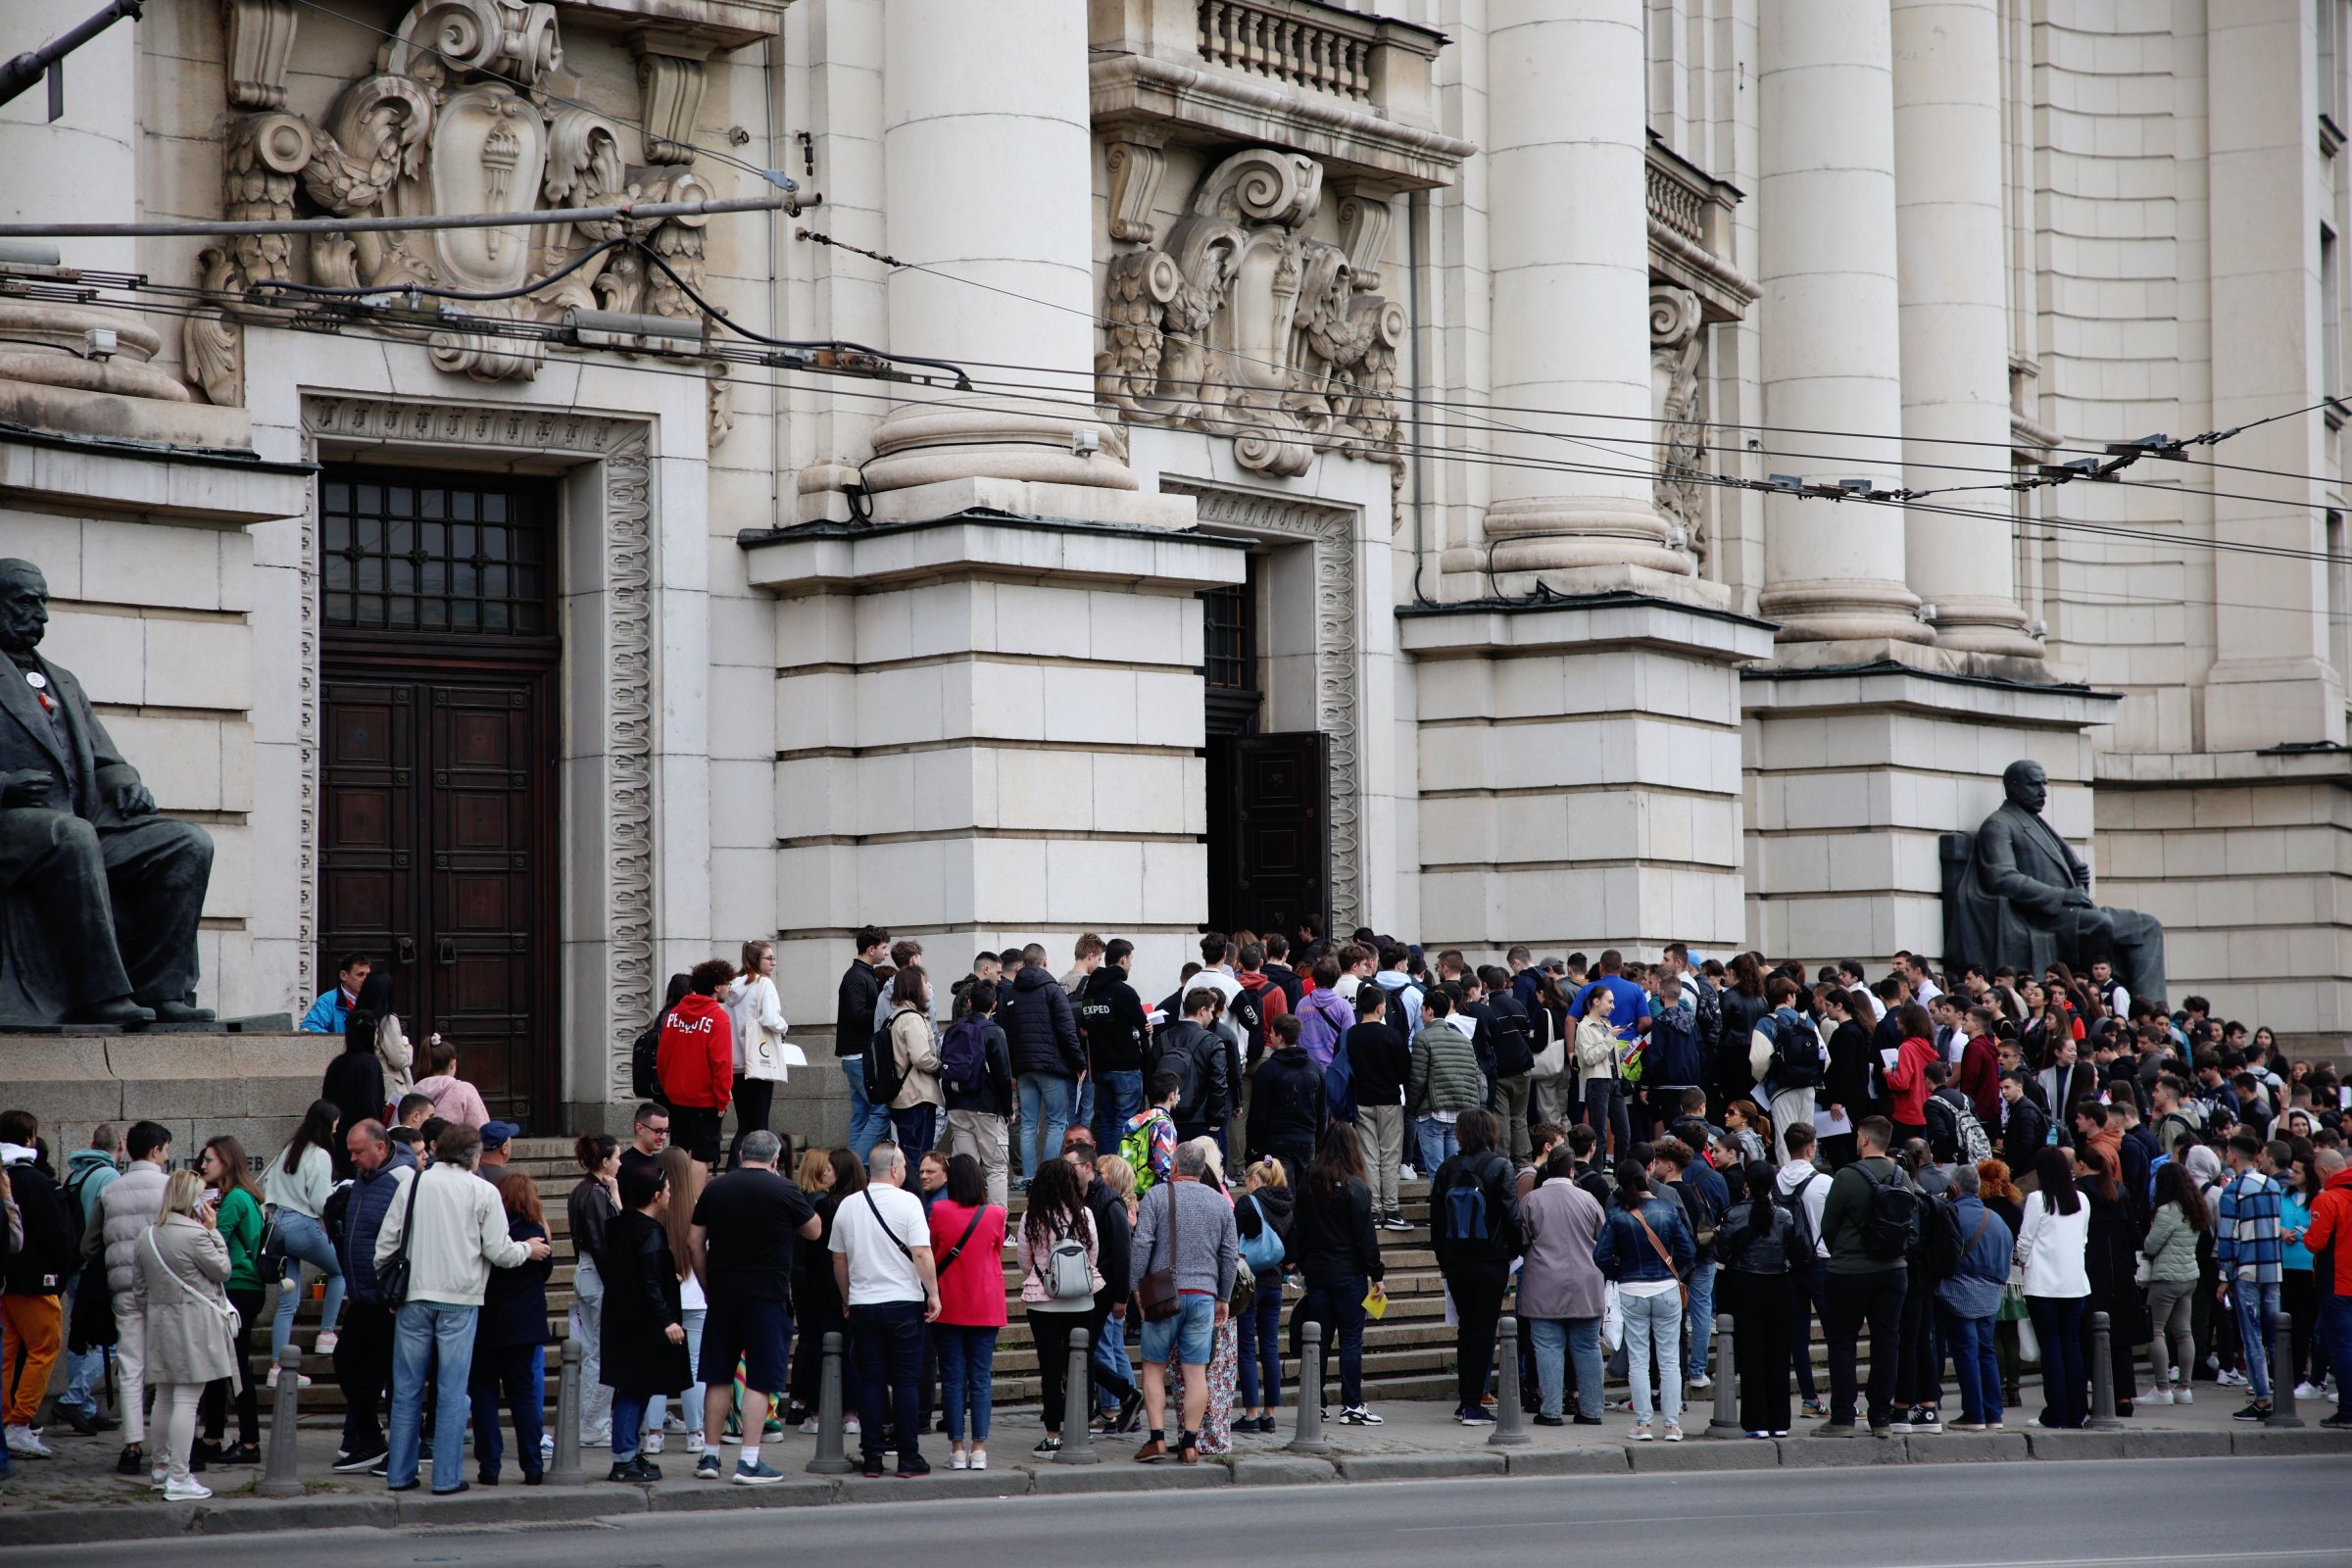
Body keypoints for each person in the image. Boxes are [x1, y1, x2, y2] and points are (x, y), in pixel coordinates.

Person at [374, 1121, 554, 1495]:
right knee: (453, 1390)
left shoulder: (413, 1183)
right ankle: (446, 1477)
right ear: (474, 1156)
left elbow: (386, 1245)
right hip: (461, 1300)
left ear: (438, 1149)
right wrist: (528, 1250)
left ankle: (400, 1473)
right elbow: (500, 1252)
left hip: (414, 1296)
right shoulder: (482, 1191)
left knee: (406, 1390)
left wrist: (391, 1290)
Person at [687, 1127, 819, 1482]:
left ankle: (709, 1457)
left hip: (724, 1293)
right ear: (775, 1159)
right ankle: (748, 1460)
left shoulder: (716, 1188)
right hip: (767, 1295)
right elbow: (815, 1230)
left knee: (717, 1375)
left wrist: (707, 1284)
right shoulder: (784, 1189)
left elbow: (693, 1241)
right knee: (761, 1378)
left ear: (742, 1154)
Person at [829, 1142, 941, 1479]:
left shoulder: (848, 1205)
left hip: (864, 1304)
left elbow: (838, 1259)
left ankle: (873, 1456)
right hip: (903, 1303)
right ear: (894, 1170)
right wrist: (933, 1294)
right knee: (906, 1381)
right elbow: (921, 1253)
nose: (907, 1171)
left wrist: (847, 1298)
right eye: (905, 1165)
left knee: (872, 1382)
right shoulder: (908, 1203)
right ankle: (908, 1457)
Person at [1129, 1139, 1238, 1464]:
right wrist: (1224, 1297)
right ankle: (1190, 1443)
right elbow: (1230, 1256)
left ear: (1174, 1167)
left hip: (1164, 1295)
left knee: (1153, 1367)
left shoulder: (1158, 1196)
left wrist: (1136, 1288)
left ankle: (1157, 1439)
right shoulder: (1220, 1203)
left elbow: (1142, 1245)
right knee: (1196, 1373)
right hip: (1204, 1296)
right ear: (1203, 1169)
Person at [134, 1171, 237, 1502]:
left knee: (164, 1398)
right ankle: (179, 1475)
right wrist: (214, 1231)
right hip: (194, 1324)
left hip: (161, 1323)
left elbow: (139, 1291)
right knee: (187, 1401)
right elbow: (223, 1270)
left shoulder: (147, 1235)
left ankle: (161, 1467)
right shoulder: (196, 1235)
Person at [1816, 1116, 1911, 1438]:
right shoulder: (1902, 1177)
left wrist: (1843, 1250)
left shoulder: (1846, 1176)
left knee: (1842, 1342)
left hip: (1849, 1271)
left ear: (1866, 1139)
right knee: (1887, 1342)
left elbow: (1828, 1226)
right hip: (1892, 1270)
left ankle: (1843, 1416)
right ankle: (1881, 1418)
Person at [1430, 1107, 1524, 1428]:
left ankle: (1464, 1401)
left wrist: (1443, 1260)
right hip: (1491, 1260)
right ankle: (1473, 1404)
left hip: (1456, 1260)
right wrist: (1514, 1252)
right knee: (1483, 1330)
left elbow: (1437, 1220)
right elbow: (1511, 1216)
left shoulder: (1447, 1168)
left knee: (1466, 1328)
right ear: (1491, 1132)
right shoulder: (1500, 1166)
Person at [599, 1162, 690, 1484]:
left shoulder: (623, 1225)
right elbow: (650, 1279)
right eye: (666, 1190)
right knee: (634, 1389)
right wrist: (667, 1320)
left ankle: (630, 1452)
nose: (670, 1195)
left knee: (636, 1387)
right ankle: (623, 1458)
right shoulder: (649, 1231)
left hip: (624, 1317)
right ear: (655, 1196)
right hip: (642, 1323)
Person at [332, 1119, 415, 1474]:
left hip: (390, 1298)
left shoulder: (402, 1181)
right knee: (347, 1362)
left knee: (394, 1376)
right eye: (350, 1151)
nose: (352, 1158)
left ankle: (400, 1450)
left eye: (358, 1151)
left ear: (380, 1148)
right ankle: (371, 1440)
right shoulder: (364, 1181)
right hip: (362, 1296)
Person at [1593, 1155, 1694, 1441]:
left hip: (1631, 1289)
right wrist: (1675, 1270)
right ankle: (1673, 1425)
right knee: (1670, 1360)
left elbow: (1600, 1255)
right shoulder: (1667, 1208)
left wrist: (1619, 1272)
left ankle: (1644, 1424)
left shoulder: (1617, 1214)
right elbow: (1688, 1250)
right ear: (1646, 1177)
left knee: (1638, 1361)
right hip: (1665, 1287)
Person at [1016, 1155, 1103, 1457]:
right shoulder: (1086, 1215)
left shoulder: (1032, 1216)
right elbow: (1092, 1254)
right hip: (1082, 1299)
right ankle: (1082, 1428)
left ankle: (1052, 1434)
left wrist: (1043, 1276)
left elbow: (1024, 1260)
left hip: (1043, 1302)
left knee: (1050, 1370)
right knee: (1081, 1365)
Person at [470, 1171, 553, 1486]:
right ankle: (532, 1466)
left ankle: (489, 1466)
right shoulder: (534, 1233)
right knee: (524, 1395)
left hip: (486, 1323)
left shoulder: (487, 1233)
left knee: (484, 1396)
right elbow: (545, 1270)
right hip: (522, 1327)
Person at [0, 1112, 74, 1460]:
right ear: (30, 1137)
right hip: (35, 1279)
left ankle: (7, 1420)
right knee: (44, 1348)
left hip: (6, 1280)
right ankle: (19, 1422)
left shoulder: (6, 1176)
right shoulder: (33, 1180)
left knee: (8, 1354)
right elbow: (55, 1235)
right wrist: (58, 1272)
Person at [926, 1152, 1005, 1469]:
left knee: (953, 1378)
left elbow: (932, 1252)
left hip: (948, 1302)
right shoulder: (995, 1214)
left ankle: (957, 1448)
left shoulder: (939, 1210)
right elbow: (996, 1250)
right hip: (985, 1303)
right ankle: (979, 1449)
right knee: (981, 1378)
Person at [1517, 1145, 1606, 1426]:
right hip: (1587, 1283)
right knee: (1588, 1347)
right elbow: (1603, 1239)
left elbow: (1521, 1240)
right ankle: (1592, 1410)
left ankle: (1551, 1410)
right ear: (1571, 1170)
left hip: (1543, 1284)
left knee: (1547, 1347)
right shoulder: (1589, 1199)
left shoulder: (1531, 1201)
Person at [52, 1122, 125, 1438]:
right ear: (120, 1146)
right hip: (94, 1269)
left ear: (91, 1142)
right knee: (112, 1339)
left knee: (80, 1341)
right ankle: (74, 1398)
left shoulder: (76, 1174)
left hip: (74, 1266)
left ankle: (84, 1408)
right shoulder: (109, 1176)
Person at [193, 1136, 263, 1466]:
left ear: (227, 1161)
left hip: (238, 1287)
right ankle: (215, 1436)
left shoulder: (235, 1198)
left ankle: (248, 1443)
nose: (203, 1165)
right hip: (244, 1287)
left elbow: (210, 1240)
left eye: (209, 1160)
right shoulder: (242, 1196)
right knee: (227, 1364)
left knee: (233, 1366)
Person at [1717, 1158, 1798, 1437]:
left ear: (1746, 1184)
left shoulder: (1735, 1214)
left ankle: (1757, 1421)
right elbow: (1801, 1251)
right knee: (1778, 1352)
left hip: (1745, 1283)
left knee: (1751, 1352)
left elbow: (1722, 1252)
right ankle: (1779, 1421)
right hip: (1779, 1283)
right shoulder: (1785, 1215)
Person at [265, 1099, 347, 1371]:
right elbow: (321, 1201)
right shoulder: (320, 1155)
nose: (336, 1130)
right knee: (339, 1271)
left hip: (278, 1227)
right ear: (326, 1124)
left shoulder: (288, 1150)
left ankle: (277, 1367)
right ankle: (326, 1333)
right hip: (303, 1224)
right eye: (335, 1125)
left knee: (287, 1302)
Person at [2018, 1144, 2093, 1429]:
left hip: (2043, 1286)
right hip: (2074, 1284)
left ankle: (2056, 1412)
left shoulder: (2038, 1199)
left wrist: (2024, 1264)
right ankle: (2076, 1412)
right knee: (2071, 1347)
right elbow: (2083, 1240)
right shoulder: (2082, 1200)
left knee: (2051, 1349)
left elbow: (2024, 1241)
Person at [1935, 1163, 2015, 1432]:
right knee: (1986, 1352)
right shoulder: (1997, 1220)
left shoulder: (1951, 1214)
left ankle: (1973, 1413)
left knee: (1966, 1351)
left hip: (1957, 1292)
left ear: (1953, 1188)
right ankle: (1993, 1413)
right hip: (1991, 1295)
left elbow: (1942, 1256)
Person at [2215, 1131, 2283, 1421]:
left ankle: (2262, 1399)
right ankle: (2281, 1394)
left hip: (2247, 1269)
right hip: (2273, 1266)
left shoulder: (2233, 1191)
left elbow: (2227, 1237)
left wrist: (2224, 1275)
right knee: (2277, 1333)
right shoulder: (2273, 1185)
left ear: (2232, 1156)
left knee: (2251, 1334)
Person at [1004, 943, 1085, 1184]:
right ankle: (1049, 1178)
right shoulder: (1052, 989)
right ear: (1045, 962)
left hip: (1023, 1068)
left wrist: (1012, 1067)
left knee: (1028, 1122)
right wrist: (1079, 1062)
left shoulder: (1010, 993)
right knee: (1056, 1121)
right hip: (1052, 1067)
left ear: (1021, 965)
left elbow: (1006, 1033)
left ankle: (1028, 1176)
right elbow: (1067, 1030)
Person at [566, 1135, 622, 1452]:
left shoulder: (586, 1191)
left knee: (594, 1353)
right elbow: (604, 1242)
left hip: (588, 1272)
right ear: (605, 1162)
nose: (619, 1162)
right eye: (616, 1157)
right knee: (603, 1354)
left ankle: (589, 1422)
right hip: (598, 1275)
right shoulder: (595, 1194)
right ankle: (592, 1425)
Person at [1344, 982, 1411, 1228]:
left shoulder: (1352, 1035)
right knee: (1391, 1156)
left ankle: (1373, 1210)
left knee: (1369, 1157)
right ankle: (1392, 1211)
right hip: (1390, 1100)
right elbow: (1405, 1071)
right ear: (1380, 1007)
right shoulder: (1392, 1035)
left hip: (1362, 1100)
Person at [1233, 1155, 1293, 1432]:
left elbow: (1231, 1240)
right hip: (1274, 1283)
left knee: (1246, 1348)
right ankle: (1270, 1414)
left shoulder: (1248, 1203)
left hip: (1248, 1282)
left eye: (1247, 1180)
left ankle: (1251, 1414)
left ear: (1255, 1180)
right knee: (1269, 1346)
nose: (1246, 1186)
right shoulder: (1287, 1204)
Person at [658, 959, 737, 1168]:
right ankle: (692, 1201)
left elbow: (663, 1056)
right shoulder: (718, 1016)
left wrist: (669, 1088)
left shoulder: (674, 1014)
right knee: (702, 1156)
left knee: (680, 1151)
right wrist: (722, 1101)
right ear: (717, 986)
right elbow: (722, 1064)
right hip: (705, 1100)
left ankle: (677, 1198)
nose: (729, 988)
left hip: (676, 1097)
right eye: (727, 983)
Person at [2140, 1160, 2207, 1407]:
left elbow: (2151, 1246)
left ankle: (2162, 1388)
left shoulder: (2167, 1210)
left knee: (2155, 1330)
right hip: (2189, 1276)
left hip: (2166, 1278)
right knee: (2183, 1332)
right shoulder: (2194, 1207)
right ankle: (2184, 1389)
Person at [944, 980, 1014, 1209]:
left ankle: (965, 1221)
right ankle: (997, 1226)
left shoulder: (953, 1030)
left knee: (965, 1168)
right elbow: (1003, 1075)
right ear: (994, 1005)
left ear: (969, 1002)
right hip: (987, 1107)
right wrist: (1008, 1109)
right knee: (996, 1167)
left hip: (957, 1105)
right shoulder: (995, 1032)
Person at [1777, 1120, 1832, 1418]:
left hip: (1788, 1267)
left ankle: (1809, 1398)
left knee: (1798, 1336)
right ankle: (1845, 1401)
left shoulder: (1775, 1181)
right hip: (1821, 1263)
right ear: (1811, 1148)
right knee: (1836, 1334)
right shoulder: (1824, 1183)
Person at [1076, 939, 1152, 1152]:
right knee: (1125, 1120)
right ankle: (1121, 1170)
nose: (1130, 965)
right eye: (1130, 960)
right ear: (1123, 959)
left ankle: (1106, 1167)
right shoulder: (1125, 992)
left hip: (1100, 1068)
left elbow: (1084, 1028)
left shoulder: (1090, 991)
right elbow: (1142, 1024)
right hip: (1126, 1067)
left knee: (1107, 1120)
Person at [724, 939, 790, 1169]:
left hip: (736, 1063)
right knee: (759, 1124)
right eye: (769, 958)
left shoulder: (731, 986)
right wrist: (784, 1026)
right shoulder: (764, 984)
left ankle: (734, 1170)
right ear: (756, 960)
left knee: (744, 1124)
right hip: (759, 1062)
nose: (773, 962)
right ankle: (759, 1170)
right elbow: (771, 1019)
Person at [2298, 1148, 2352, 1429]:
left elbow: (2315, 1243)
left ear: (2323, 1172)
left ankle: (2348, 1409)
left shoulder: (2328, 1199)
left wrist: (2305, 1234)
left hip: (2337, 1284)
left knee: (2342, 1346)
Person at [1409, 989, 1484, 1180]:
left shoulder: (1422, 1038)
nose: (1420, 1014)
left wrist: (1411, 1108)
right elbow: (1475, 1075)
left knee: (1437, 1174)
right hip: (1460, 1113)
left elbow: (1418, 1079)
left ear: (1431, 1011)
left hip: (1432, 1112)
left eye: (1423, 1009)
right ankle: (1454, 1209)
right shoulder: (1464, 1039)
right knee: (1455, 1173)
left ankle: (1441, 1209)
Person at [836, 927, 893, 1161]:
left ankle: (849, 1171)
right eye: (883, 948)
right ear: (871, 949)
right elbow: (858, 1015)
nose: (886, 953)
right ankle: (857, 1166)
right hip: (860, 1057)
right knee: (881, 1111)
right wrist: (887, 1013)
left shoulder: (862, 975)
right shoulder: (856, 977)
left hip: (857, 1056)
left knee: (861, 1114)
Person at [1246, 1014, 1324, 1179]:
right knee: (1305, 1193)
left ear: (1279, 1038)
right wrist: (1318, 1141)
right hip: (1306, 1140)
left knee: (1282, 1191)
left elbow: (1258, 1114)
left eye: (1272, 1034)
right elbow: (1322, 1111)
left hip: (1276, 1142)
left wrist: (1254, 1147)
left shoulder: (1267, 1070)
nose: (1271, 1037)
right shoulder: (1314, 1070)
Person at [882, 965, 946, 1158]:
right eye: (925, 982)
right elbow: (921, 1058)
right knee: (917, 1155)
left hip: (903, 1096)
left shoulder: (896, 1016)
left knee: (910, 1151)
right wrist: (942, 1066)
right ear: (915, 987)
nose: (929, 986)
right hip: (916, 1095)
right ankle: (915, 1189)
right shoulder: (912, 1018)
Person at [321, 1019, 388, 1174]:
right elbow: (370, 1101)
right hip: (363, 1139)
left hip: (338, 1137)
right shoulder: (370, 1063)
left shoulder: (337, 1063)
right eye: (376, 1033)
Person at [353, 969, 415, 1106]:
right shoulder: (386, 1020)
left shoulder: (356, 1018)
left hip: (364, 1083)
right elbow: (399, 1060)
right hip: (389, 1087)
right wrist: (408, 1048)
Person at [411, 1038, 492, 1130]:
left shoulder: (414, 1091)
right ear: (453, 1064)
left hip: (420, 1143)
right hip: (453, 1143)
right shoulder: (464, 1089)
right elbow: (481, 1127)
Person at [300, 954, 371, 1034]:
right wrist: (337, 1041)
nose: (365, 979)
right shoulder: (328, 1000)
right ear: (343, 975)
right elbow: (308, 1027)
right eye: (360, 975)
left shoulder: (372, 999)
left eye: (368, 975)